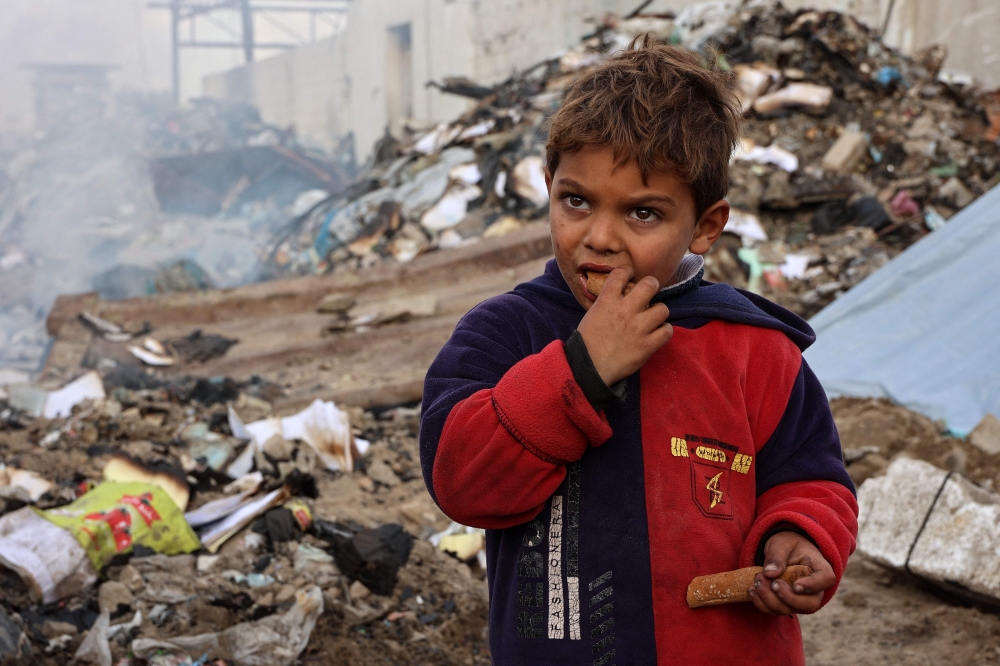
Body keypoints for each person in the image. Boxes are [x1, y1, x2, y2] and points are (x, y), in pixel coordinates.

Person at [419, 37, 858, 665]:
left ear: (705, 226)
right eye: (576, 200)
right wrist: (579, 370)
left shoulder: (754, 351)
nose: (599, 238)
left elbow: (812, 478)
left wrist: (799, 537)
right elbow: (462, 483)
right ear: (548, 187)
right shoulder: (505, 334)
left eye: (643, 214)